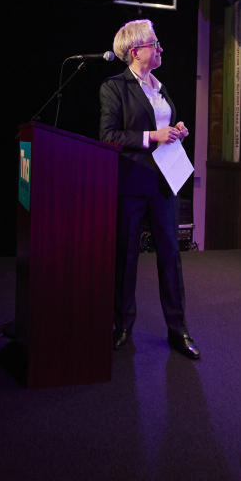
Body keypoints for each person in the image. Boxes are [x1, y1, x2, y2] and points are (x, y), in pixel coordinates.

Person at [98, 19, 200, 360]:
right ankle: (122, 325)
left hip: (164, 182)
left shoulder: (160, 86)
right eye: (154, 44)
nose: (160, 49)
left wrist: (176, 129)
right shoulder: (115, 87)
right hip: (132, 181)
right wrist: (152, 137)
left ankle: (178, 329)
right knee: (126, 257)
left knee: (170, 256)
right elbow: (108, 136)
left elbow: (163, 125)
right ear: (135, 50)